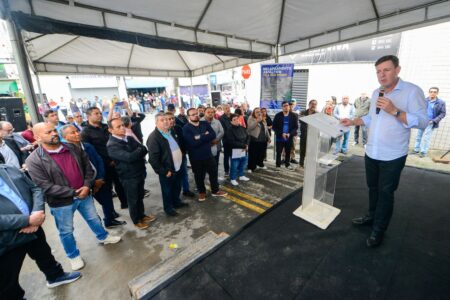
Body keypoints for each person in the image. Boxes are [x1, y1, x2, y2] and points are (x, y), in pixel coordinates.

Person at [341, 55, 427, 247]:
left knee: (386, 193)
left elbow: (423, 122)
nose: (382, 75)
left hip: (393, 155)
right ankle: (371, 216)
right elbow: (373, 118)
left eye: (386, 70)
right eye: (378, 71)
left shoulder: (412, 92)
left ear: (397, 70)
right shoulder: (376, 92)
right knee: (373, 189)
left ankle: (379, 229)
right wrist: (354, 121)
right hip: (372, 152)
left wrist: (395, 111)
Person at [26, 123, 121, 270]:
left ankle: (103, 237)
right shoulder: (34, 160)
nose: (54, 133)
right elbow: (45, 186)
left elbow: (88, 168)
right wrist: (74, 192)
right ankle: (73, 255)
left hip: (84, 194)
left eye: (54, 130)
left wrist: (87, 185)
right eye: (48, 132)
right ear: (37, 137)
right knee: (66, 231)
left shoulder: (73, 148)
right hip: (61, 203)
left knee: (93, 218)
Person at [0, 165, 81, 299]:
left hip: (34, 226)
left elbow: (35, 188)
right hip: (7, 238)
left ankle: (55, 276)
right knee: (7, 281)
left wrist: (37, 213)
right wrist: (27, 220)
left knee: (43, 253)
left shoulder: (8, 169)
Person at [61, 125, 126, 228]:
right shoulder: (65, 152)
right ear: (65, 137)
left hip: (98, 179)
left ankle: (109, 220)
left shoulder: (87, 146)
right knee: (90, 208)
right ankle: (99, 227)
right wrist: (90, 183)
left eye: (77, 131)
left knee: (107, 199)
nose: (77, 134)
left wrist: (99, 178)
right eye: (72, 133)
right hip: (83, 185)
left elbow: (99, 160)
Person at [107, 118, 156, 229]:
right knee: (133, 199)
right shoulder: (112, 145)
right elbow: (129, 157)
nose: (122, 128)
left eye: (122, 125)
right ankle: (136, 220)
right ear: (110, 130)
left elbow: (144, 148)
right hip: (128, 176)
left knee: (139, 196)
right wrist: (138, 152)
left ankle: (142, 215)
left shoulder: (128, 138)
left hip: (139, 172)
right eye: (118, 127)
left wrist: (137, 152)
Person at [81, 107, 128, 209]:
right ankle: (110, 214)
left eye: (100, 113)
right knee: (106, 190)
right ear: (88, 116)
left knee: (120, 184)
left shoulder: (106, 127)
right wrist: (106, 162)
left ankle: (125, 203)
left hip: (116, 161)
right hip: (102, 166)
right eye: (96, 113)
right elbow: (90, 152)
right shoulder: (85, 132)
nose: (99, 115)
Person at [147, 113, 188, 216]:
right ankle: (168, 209)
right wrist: (164, 171)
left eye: (166, 119)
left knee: (177, 187)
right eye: (162, 120)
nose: (166, 121)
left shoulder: (171, 131)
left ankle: (176, 202)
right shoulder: (154, 137)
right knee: (167, 190)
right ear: (156, 122)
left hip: (178, 166)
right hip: (167, 170)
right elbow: (153, 159)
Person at [183, 108, 227, 202]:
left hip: (208, 154)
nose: (195, 115)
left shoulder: (204, 123)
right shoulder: (186, 128)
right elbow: (192, 143)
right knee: (199, 176)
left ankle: (215, 190)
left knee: (213, 173)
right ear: (188, 117)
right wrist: (205, 136)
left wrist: (198, 137)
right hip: (196, 157)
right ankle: (201, 192)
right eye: (193, 114)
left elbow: (213, 135)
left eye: (196, 113)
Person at [413, 87, 446, 157]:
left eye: (434, 92)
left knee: (426, 138)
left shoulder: (441, 102)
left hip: (430, 123)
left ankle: (423, 152)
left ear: (437, 93)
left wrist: (434, 121)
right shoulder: (424, 100)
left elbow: (443, 113)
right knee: (419, 136)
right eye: (431, 92)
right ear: (429, 92)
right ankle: (416, 150)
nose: (432, 93)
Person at [272, 101, 298, 171]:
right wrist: (281, 133)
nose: (286, 107)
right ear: (282, 107)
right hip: (280, 137)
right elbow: (274, 127)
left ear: (289, 107)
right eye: (284, 106)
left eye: (287, 105)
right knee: (279, 152)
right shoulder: (278, 115)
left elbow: (295, 127)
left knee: (288, 151)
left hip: (289, 137)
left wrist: (290, 134)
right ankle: (278, 165)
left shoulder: (293, 116)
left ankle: (287, 164)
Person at [225, 114, 250, 186]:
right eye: (234, 119)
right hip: (235, 151)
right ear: (231, 121)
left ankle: (241, 175)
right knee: (234, 166)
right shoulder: (229, 130)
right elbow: (231, 142)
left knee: (243, 163)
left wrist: (247, 144)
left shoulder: (242, 127)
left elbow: (248, 137)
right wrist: (244, 145)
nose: (236, 120)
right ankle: (233, 178)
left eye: (237, 119)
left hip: (244, 149)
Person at [247, 108, 270, 172]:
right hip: (254, 140)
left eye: (259, 112)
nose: (259, 113)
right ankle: (250, 167)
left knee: (261, 154)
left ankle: (260, 164)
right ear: (254, 113)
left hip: (263, 140)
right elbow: (249, 128)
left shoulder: (263, 119)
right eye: (257, 112)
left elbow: (266, 129)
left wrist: (269, 137)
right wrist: (257, 121)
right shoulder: (251, 118)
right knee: (253, 155)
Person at [299, 100, 318, 168]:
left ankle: (309, 165)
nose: (313, 105)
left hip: (313, 136)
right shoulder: (303, 112)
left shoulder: (317, 114)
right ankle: (301, 164)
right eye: (312, 104)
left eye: (315, 104)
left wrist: (307, 119)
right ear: (309, 104)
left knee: (311, 151)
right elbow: (301, 120)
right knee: (302, 150)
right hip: (304, 135)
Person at [219, 104, 233, 177]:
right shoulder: (221, 118)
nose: (228, 109)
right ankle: (226, 170)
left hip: (235, 140)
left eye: (228, 108)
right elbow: (223, 130)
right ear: (223, 110)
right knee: (226, 156)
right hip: (227, 140)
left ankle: (233, 169)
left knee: (234, 156)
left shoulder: (234, 116)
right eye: (226, 108)